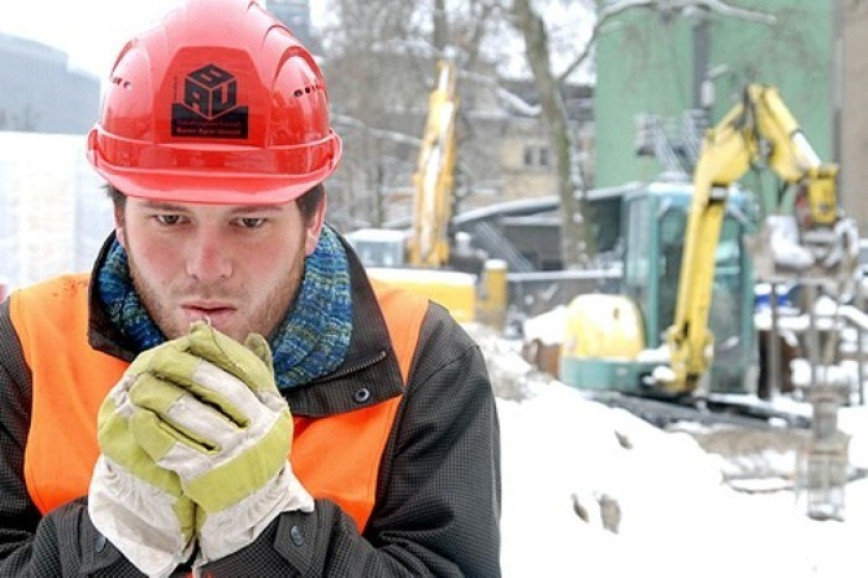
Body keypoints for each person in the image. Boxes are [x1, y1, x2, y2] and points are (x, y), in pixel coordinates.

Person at [0, 0, 501, 575]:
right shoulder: (26, 347)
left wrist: (268, 529)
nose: (206, 266)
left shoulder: (423, 361)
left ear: (312, 219)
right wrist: (112, 539)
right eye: (169, 219)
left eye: (250, 221)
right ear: (120, 215)